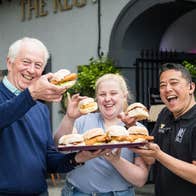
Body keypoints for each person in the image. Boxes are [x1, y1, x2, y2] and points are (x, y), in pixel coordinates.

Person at [0, 37, 109, 196]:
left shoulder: (40, 108)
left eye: (37, 65)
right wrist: (32, 94)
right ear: (9, 63)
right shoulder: (31, 98)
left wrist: (78, 158)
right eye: (26, 62)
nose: (31, 70)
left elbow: (48, 159)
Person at [54, 73, 149, 196]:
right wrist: (69, 118)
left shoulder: (135, 130)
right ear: (97, 98)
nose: (107, 99)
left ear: (124, 96)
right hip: (76, 192)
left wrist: (116, 160)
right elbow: (59, 146)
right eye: (102, 94)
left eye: (113, 93)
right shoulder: (82, 120)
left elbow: (140, 180)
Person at [121, 63, 196, 196]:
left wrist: (159, 155)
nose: (167, 89)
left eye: (174, 83)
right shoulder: (164, 114)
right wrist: (132, 128)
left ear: (191, 87)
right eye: (162, 85)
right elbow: (151, 159)